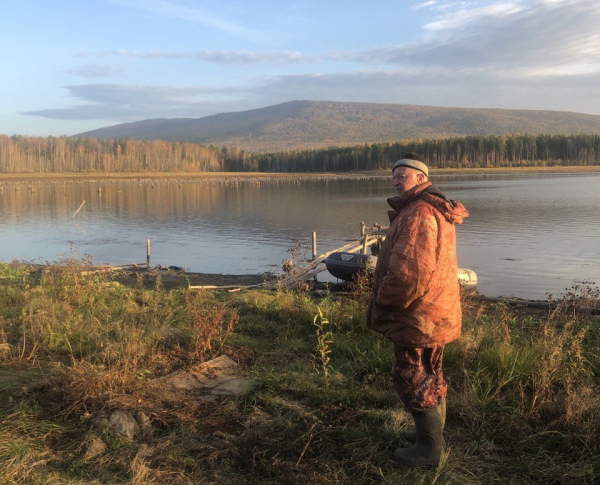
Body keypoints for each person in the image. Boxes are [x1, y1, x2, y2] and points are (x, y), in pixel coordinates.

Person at [366, 152, 468, 467]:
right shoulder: (428, 208)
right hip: (435, 312)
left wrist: (382, 302)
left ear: (421, 178)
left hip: (418, 316)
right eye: (394, 175)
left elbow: (409, 274)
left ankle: (428, 452)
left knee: (412, 376)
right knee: (431, 374)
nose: (396, 180)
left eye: (403, 175)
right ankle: (429, 439)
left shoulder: (420, 214)